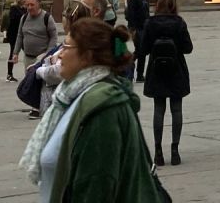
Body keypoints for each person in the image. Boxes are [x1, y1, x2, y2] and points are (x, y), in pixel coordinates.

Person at [18, 17, 155, 203]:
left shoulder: (102, 107)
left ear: (87, 56)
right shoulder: (71, 95)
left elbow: (97, 184)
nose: (59, 55)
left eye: (66, 47)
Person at [141, 0, 193, 166]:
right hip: (176, 69)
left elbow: (144, 48)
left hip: (156, 70)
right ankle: (175, 150)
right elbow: (188, 48)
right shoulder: (179, 23)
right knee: (176, 109)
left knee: (159, 109)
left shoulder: (151, 23)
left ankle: (157, 152)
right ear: (173, 6)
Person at [13, 0, 62, 103]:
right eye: (27, 5)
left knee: (40, 83)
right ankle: (35, 105)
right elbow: (20, 35)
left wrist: (48, 53)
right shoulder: (24, 18)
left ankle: (38, 107)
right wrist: (15, 53)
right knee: (30, 82)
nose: (29, 8)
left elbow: (54, 37)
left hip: (42, 56)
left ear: (39, 4)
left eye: (32, 5)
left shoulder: (47, 17)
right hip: (28, 57)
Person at [124, 0, 150, 82]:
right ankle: (130, 67)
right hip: (137, 29)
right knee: (141, 51)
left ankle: (137, 72)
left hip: (144, 28)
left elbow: (147, 14)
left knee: (141, 51)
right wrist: (132, 29)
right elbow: (131, 14)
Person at [2, 0, 26, 82]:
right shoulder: (14, 8)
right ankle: (9, 74)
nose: (25, 1)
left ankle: (30, 73)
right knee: (13, 53)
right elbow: (15, 19)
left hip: (23, 35)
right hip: (14, 34)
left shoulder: (24, 9)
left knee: (28, 54)